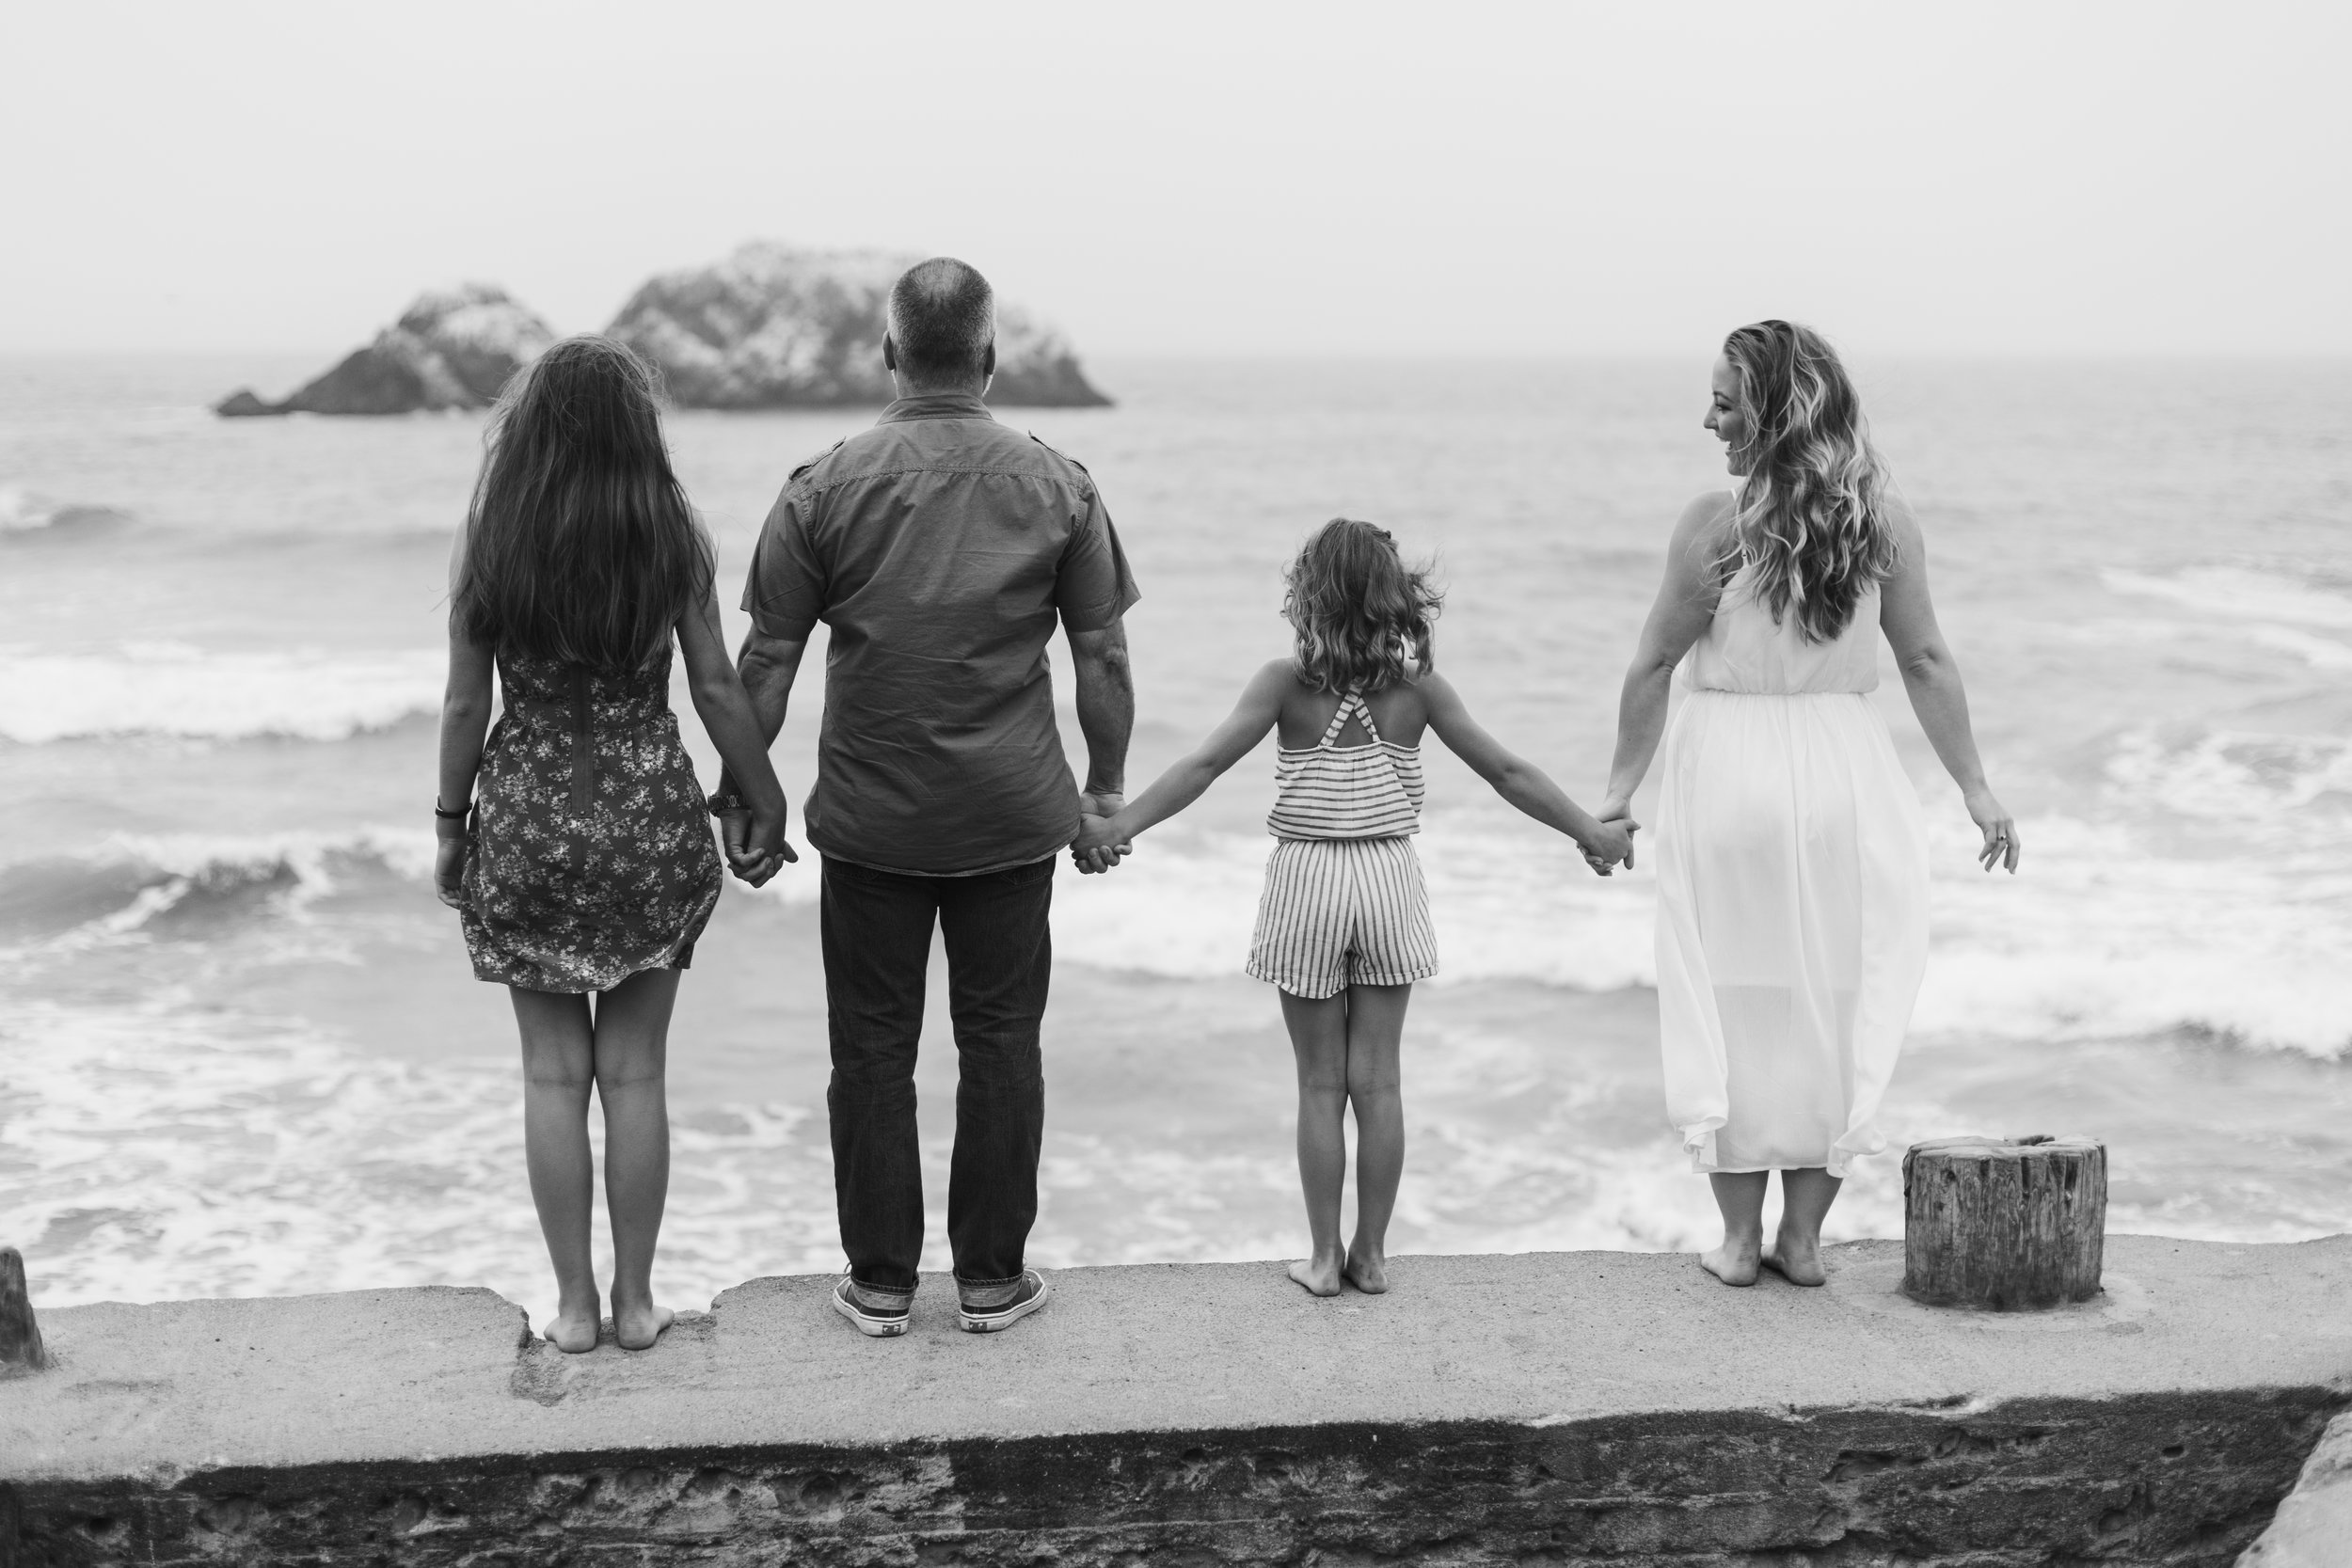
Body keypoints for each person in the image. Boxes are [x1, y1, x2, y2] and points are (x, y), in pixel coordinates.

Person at [716, 257, 1137, 1338]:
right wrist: (1103, 792)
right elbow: (1104, 658)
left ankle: (881, 1282)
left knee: (869, 1049)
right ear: (991, 357)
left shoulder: (823, 485)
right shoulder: (1061, 484)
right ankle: (992, 1281)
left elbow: (763, 662)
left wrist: (743, 795)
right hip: (1009, 819)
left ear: (891, 354)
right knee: (1002, 1042)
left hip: (871, 820)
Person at [1075, 519, 1633, 1296]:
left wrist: (1117, 825)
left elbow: (1202, 765)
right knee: (1379, 1083)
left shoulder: (1284, 683)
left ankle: (1321, 1259)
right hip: (1386, 879)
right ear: (1393, 598)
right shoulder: (1417, 691)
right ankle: (1371, 1255)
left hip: (1307, 880)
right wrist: (1591, 831)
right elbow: (1507, 771)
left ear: (1309, 597)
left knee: (1317, 1085)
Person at [1598, 320, 2020, 1290]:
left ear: (1773, 411)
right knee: (1829, 995)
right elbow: (1923, 661)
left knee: (1730, 997)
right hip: (1844, 772)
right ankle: (1803, 1239)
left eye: (1723, 401)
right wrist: (1974, 785)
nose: (1707, 418)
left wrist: (1619, 794)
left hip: (1729, 772)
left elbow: (1654, 663)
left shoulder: (1714, 522)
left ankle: (1739, 1243)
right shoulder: (1881, 519)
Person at [433, 337, 791, 1352]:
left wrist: (451, 828)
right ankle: (639, 1303)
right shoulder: (669, 529)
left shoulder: (492, 533)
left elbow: (465, 701)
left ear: (529, 430)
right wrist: (765, 801)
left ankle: (575, 1309)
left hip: (528, 821)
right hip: (647, 821)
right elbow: (718, 686)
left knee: (552, 1075)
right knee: (635, 1072)